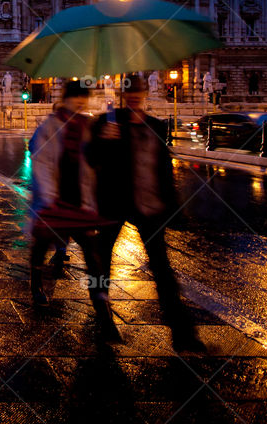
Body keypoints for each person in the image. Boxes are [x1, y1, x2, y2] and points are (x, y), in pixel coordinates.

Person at [86, 74, 206, 352]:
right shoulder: (108, 123)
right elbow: (90, 158)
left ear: (145, 95)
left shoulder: (156, 126)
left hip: (149, 206)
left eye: (139, 93)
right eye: (131, 94)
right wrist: (103, 141)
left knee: (162, 270)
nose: (136, 98)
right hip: (114, 204)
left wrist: (173, 207)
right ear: (123, 95)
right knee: (102, 266)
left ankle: (182, 333)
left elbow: (164, 169)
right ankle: (103, 318)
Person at [29, 80, 121, 341]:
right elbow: (41, 162)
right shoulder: (49, 126)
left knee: (93, 256)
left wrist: (108, 142)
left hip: (80, 202)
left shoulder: (90, 126)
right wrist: (47, 196)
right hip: (54, 200)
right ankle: (36, 284)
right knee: (41, 244)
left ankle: (101, 304)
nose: (81, 102)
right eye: (76, 97)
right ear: (66, 98)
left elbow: (97, 162)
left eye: (85, 97)